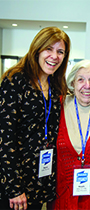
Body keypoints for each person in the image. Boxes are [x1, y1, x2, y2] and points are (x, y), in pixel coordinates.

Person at [0, 26, 70, 210]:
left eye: (60, 51)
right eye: (49, 49)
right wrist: (14, 187)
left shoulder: (56, 86)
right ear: (37, 49)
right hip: (14, 183)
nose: (54, 56)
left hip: (40, 180)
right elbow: (5, 138)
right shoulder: (15, 81)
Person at [48, 59, 90, 210]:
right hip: (62, 195)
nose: (87, 86)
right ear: (72, 84)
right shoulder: (59, 105)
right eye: (81, 80)